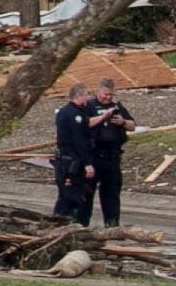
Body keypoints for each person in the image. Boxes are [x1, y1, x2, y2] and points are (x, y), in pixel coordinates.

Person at [67, 82, 136, 228]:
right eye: (105, 94)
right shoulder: (88, 106)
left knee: (111, 195)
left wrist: (122, 122)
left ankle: (112, 226)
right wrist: (103, 117)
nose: (108, 98)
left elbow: (133, 125)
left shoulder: (117, 107)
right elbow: (83, 125)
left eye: (111, 95)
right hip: (93, 156)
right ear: (97, 91)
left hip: (112, 158)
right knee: (85, 195)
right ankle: (81, 226)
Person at [49, 87, 96, 224]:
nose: (87, 99)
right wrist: (87, 163)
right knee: (71, 197)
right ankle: (61, 225)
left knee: (64, 195)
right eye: (86, 96)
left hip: (62, 160)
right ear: (79, 96)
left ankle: (58, 223)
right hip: (71, 162)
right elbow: (79, 141)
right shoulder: (76, 115)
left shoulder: (62, 112)